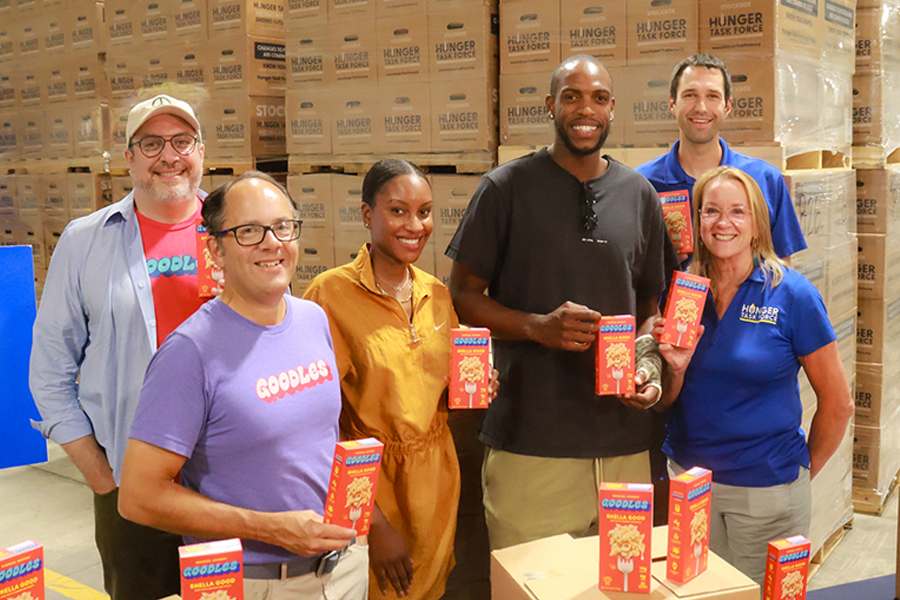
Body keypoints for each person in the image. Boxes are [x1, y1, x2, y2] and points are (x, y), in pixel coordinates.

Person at [446, 55, 677, 551]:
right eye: (571, 96)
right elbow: (463, 296)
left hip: (624, 445)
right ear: (551, 105)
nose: (584, 109)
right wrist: (536, 327)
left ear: (613, 108)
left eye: (597, 98)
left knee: (623, 586)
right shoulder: (505, 189)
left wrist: (647, 369)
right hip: (532, 443)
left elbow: (649, 308)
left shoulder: (640, 196)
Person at [118, 172, 368, 599]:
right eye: (249, 231)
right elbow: (138, 497)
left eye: (283, 226)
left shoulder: (313, 319)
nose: (272, 243)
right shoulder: (189, 353)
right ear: (215, 248)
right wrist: (269, 527)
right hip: (255, 583)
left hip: (342, 569)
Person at [29, 94, 208, 600]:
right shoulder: (86, 240)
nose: (169, 156)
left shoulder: (235, 230)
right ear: (127, 158)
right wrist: (97, 472)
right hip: (130, 478)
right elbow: (49, 367)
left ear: (202, 152)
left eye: (181, 142)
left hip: (229, 473)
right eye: (151, 143)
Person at [303, 158, 499, 600]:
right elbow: (316, 425)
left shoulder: (437, 294)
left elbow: (435, 394)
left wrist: (475, 386)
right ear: (367, 215)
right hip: (372, 486)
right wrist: (372, 520)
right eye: (398, 211)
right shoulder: (329, 296)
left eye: (425, 211)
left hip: (436, 483)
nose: (415, 224)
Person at [653, 166, 854, 585]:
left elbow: (838, 404)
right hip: (689, 484)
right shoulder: (682, 293)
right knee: (694, 594)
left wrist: (795, 474)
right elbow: (667, 400)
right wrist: (674, 367)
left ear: (758, 224)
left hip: (767, 494)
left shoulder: (793, 295)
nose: (723, 223)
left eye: (737, 212)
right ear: (698, 220)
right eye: (711, 211)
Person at [635, 53, 806, 266]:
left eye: (712, 96)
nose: (701, 107)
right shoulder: (641, 184)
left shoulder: (765, 181)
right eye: (690, 95)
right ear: (672, 104)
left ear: (727, 107)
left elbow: (781, 270)